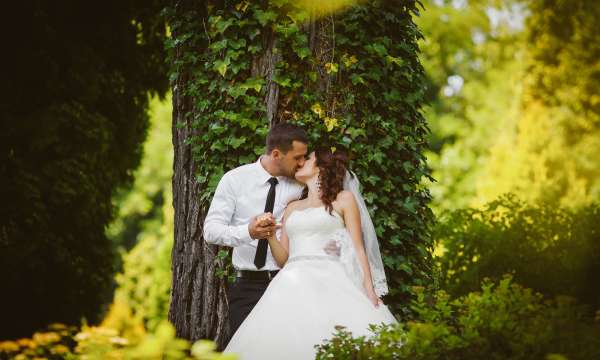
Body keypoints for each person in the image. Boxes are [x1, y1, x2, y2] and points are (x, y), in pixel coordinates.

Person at [223, 148, 399, 360]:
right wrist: (270, 235)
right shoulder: (292, 208)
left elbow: (357, 247)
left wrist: (369, 290)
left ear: (321, 168)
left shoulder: (344, 199)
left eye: (308, 159)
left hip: (332, 278)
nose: (301, 162)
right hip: (290, 281)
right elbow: (283, 259)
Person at [203, 123, 309, 340]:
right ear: (277, 154)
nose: (302, 163)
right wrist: (248, 232)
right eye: (297, 157)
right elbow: (211, 230)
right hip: (247, 288)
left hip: (287, 284)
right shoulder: (235, 180)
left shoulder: (301, 185)